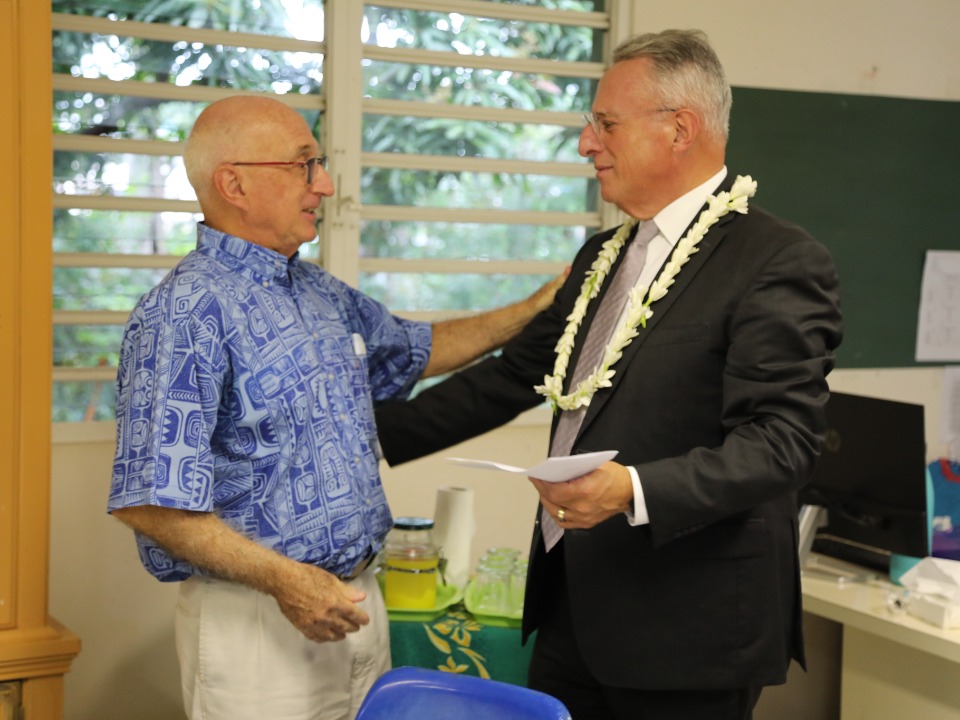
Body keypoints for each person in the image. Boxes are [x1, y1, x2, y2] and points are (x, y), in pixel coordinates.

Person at [374, 29, 843, 720]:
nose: (587, 143)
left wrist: (633, 489)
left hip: (688, 627)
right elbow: (514, 378)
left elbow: (781, 441)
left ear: (679, 128)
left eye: (606, 124)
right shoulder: (603, 254)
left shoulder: (775, 260)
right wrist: (358, 435)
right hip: (572, 608)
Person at [106, 95, 563, 720]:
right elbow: (150, 502)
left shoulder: (318, 290)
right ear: (233, 183)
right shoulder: (183, 313)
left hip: (354, 608)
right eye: (303, 165)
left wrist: (535, 308)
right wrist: (287, 582)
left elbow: (419, 349)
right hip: (261, 626)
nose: (324, 184)